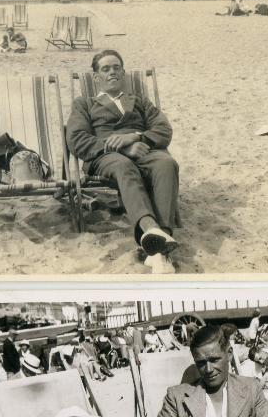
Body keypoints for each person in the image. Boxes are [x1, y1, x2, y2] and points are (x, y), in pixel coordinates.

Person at [65, 50, 181, 272]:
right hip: (106, 157)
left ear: (124, 73)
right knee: (123, 165)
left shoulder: (139, 101)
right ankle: (151, 228)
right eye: (105, 69)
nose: (112, 73)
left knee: (167, 163)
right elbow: (77, 140)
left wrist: (137, 136)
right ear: (96, 77)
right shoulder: (85, 104)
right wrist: (125, 147)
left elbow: (164, 129)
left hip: (144, 149)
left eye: (116, 68)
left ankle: (160, 241)